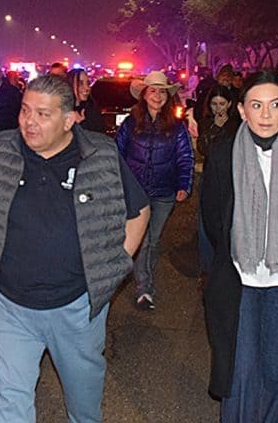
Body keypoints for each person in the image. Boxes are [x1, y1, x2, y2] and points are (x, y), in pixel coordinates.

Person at [0, 74, 149, 423]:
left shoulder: (100, 155)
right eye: (25, 110)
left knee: (83, 404)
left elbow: (138, 212)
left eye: (43, 114)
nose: (30, 122)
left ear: (69, 118)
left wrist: (115, 267)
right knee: (11, 402)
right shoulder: (0, 150)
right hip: (9, 305)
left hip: (77, 307)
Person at [200, 70, 278, 421]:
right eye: (256, 105)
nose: (266, 114)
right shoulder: (223, 156)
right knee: (239, 374)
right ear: (242, 110)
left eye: (275, 104)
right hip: (239, 280)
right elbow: (214, 220)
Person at [116, 70, 194, 310]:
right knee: (144, 239)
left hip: (163, 193)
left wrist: (184, 185)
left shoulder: (176, 126)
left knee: (153, 240)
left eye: (162, 91)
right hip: (136, 193)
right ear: (144, 94)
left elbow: (185, 157)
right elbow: (117, 154)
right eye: (153, 90)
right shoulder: (131, 123)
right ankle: (145, 288)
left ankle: (142, 279)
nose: (158, 95)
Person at [194, 84, 241, 287]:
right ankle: (207, 268)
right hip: (210, 177)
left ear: (230, 104)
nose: (218, 108)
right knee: (205, 222)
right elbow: (204, 148)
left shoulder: (237, 124)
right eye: (214, 104)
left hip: (232, 178)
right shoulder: (206, 123)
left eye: (222, 104)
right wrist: (215, 127)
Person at [67, 67, 103, 132]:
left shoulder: (91, 111)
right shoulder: (61, 110)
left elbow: (97, 138)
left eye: (88, 83)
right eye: (80, 83)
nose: (87, 88)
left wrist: (82, 124)